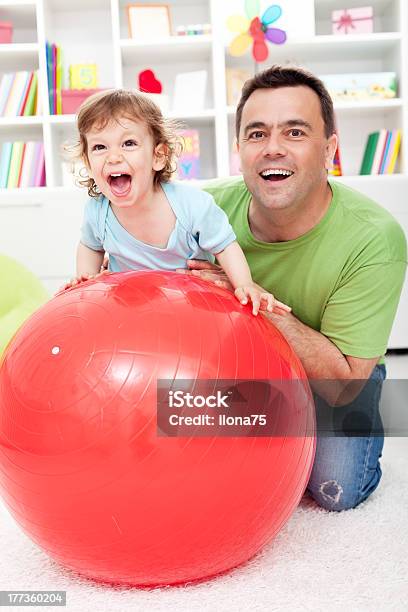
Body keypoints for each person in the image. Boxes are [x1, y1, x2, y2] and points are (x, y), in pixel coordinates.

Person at [183, 65, 407, 511]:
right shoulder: (197, 208)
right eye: (257, 134)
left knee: (334, 488)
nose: (273, 149)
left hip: (336, 370)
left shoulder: (374, 239)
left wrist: (246, 291)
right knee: (175, 423)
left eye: (295, 133)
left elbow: (342, 385)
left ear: (330, 150)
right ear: (239, 149)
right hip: (242, 365)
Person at [63, 89, 291, 316]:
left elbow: (225, 245)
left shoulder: (191, 205)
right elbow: (90, 246)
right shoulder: (97, 211)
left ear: (158, 156)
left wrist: (244, 284)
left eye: (129, 143)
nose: (113, 157)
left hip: (190, 308)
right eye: (99, 147)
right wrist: (87, 281)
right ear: (87, 162)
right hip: (131, 309)